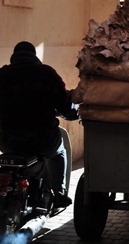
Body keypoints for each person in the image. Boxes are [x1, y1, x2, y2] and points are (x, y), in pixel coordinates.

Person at [0, 41, 78, 207]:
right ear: (34, 56)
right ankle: (58, 193)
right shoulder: (47, 74)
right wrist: (73, 112)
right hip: (43, 141)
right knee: (59, 152)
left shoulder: (2, 75)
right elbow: (65, 106)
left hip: (8, 142)